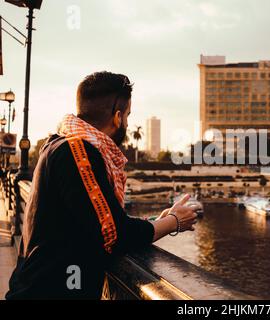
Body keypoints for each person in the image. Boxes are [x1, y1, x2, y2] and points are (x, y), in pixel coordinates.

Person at [6, 71, 198, 300]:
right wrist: (174, 222)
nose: (127, 123)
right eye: (127, 115)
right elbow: (114, 234)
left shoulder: (61, 145)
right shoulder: (78, 153)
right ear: (117, 117)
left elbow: (97, 219)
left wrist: (159, 220)